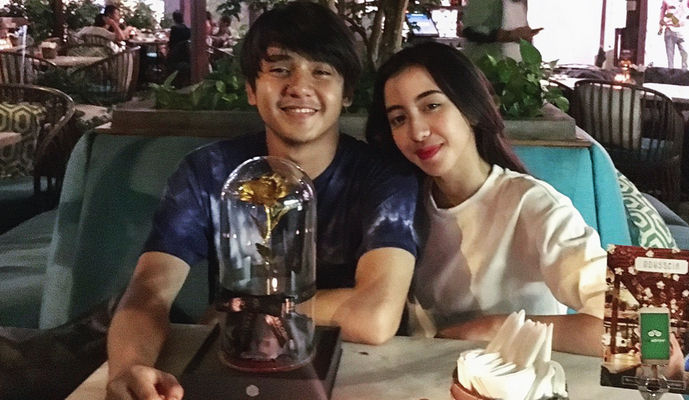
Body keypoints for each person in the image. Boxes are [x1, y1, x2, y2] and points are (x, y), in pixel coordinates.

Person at [105, 2, 418, 399]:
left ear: (347, 93)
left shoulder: (384, 178)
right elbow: (149, 290)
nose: (299, 86)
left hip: (356, 378)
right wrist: (128, 368)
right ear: (252, 89)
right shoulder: (209, 172)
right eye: (280, 69)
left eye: (321, 71)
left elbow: (376, 314)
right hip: (238, 370)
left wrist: (241, 311)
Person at [366, 41, 606, 357]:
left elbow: (628, 327)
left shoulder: (533, 206)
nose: (417, 131)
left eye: (431, 106)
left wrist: (494, 328)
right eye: (399, 118)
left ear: (471, 109)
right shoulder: (399, 207)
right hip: (420, 375)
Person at [461, 0, 542, 61]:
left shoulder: (522, 3)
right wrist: (507, 35)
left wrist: (526, 37)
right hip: (489, 69)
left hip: (516, 69)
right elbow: (470, 31)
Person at [659, 0, 689, 69]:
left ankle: (684, 70)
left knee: (685, 52)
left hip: (682, 29)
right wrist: (660, 27)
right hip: (669, 29)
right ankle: (670, 71)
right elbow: (662, 14)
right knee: (670, 54)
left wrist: (688, 22)